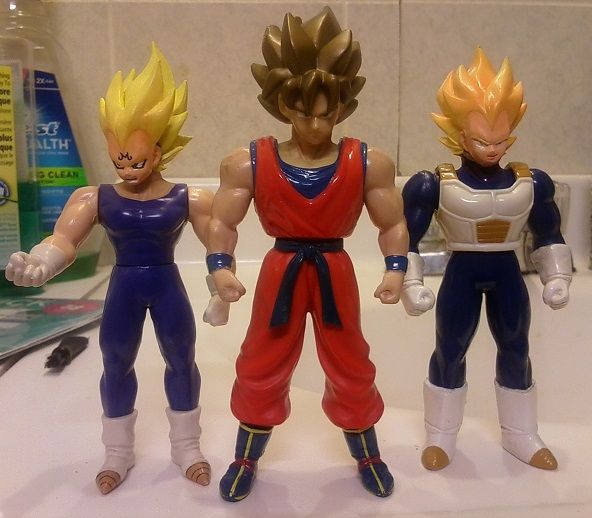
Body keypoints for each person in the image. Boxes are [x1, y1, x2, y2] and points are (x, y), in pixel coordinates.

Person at [5, 43, 228, 494]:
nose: (126, 168)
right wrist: (40, 265)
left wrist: (220, 288)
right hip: (124, 285)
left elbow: (219, 246)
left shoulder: (190, 198)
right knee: (115, 361)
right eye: (118, 159)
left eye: (136, 159)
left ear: (160, 150)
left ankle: (187, 447)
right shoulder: (94, 197)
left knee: (181, 359)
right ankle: (117, 452)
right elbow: (64, 239)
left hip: (166, 285)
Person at [208, 7, 409, 502]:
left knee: (350, 364)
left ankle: (367, 453)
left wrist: (396, 269)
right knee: (262, 362)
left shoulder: (369, 162)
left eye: (326, 113)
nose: (316, 125)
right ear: (282, 107)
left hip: (335, 270)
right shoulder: (247, 162)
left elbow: (392, 223)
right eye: (304, 113)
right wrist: (220, 268)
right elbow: (222, 222)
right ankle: (245, 456)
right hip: (281, 269)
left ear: (343, 108)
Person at [401, 48, 572, 472]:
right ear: (459, 136)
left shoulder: (532, 182)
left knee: (516, 347)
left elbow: (549, 233)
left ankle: (520, 434)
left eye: (500, 140)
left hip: (506, 272)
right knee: (450, 349)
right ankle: (440, 435)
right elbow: (405, 241)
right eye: (481, 140)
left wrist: (556, 276)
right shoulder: (432, 184)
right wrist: (410, 283)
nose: (492, 149)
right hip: (462, 271)